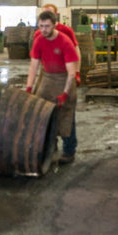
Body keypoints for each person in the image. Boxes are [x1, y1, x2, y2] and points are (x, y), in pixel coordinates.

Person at [25, 10, 80, 164]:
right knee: (42, 113)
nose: (43, 30)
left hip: (64, 79)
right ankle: (50, 146)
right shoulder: (39, 40)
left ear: (55, 25)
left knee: (66, 116)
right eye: (41, 26)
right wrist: (29, 87)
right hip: (48, 78)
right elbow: (33, 67)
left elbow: (71, 73)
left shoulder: (65, 42)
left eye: (47, 26)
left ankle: (69, 151)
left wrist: (64, 94)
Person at [32, 3, 81, 84]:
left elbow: (76, 51)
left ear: (55, 15)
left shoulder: (66, 30)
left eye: (50, 13)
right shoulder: (38, 34)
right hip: (46, 72)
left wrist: (77, 72)